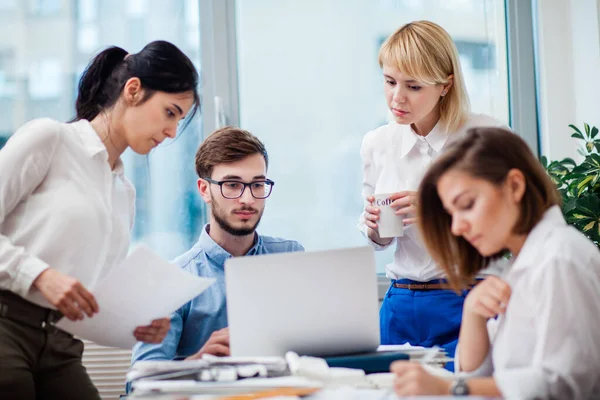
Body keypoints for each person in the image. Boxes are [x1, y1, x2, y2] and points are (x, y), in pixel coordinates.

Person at [0, 40, 200, 399]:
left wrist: (137, 320)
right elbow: (48, 277)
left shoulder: (123, 192)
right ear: (134, 90)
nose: (172, 133)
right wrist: (39, 274)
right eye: (170, 113)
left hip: (60, 343)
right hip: (6, 325)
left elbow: (94, 294)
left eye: (179, 121)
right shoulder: (50, 138)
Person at [391, 127, 600, 398]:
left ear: (514, 186)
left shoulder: (559, 258)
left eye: (466, 204)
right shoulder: (518, 265)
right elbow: (480, 378)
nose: (456, 227)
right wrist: (473, 315)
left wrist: (448, 387)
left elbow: (563, 385)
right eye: (450, 214)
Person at [357, 20, 507, 366]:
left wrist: (437, 212)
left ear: (445, 85)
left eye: (413, 86)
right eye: (389, 81)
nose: (397, 97)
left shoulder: (485, 136)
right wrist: (374, 229)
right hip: (400, 304)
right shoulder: (377, 143)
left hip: (466, 298)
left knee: (465, 388)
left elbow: (508, 226)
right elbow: (380, 239)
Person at [130, 126, 304, 366]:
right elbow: (139, 381)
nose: (248, 199)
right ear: (205, 190)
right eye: (232, 185)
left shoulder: (291, 256)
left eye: (257, 185)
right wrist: (199, 362)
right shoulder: (170, 281)